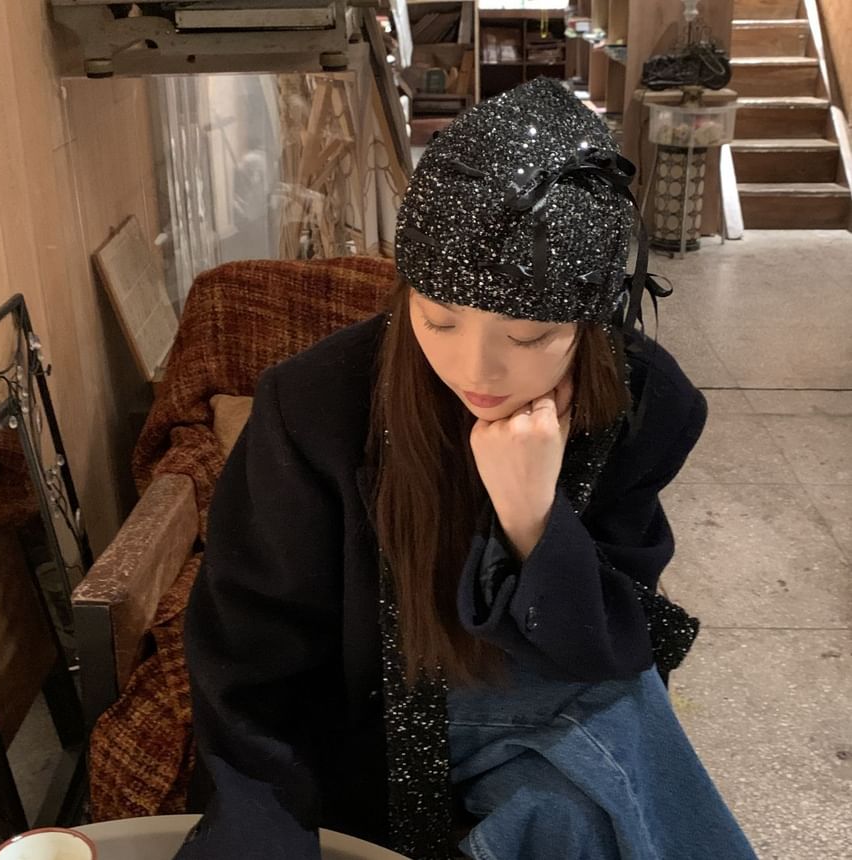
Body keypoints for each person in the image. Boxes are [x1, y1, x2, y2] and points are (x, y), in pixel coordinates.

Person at [176, 78, 757, 860]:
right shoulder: (316, 408)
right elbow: (251, 650)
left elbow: (611, 649)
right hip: (375, 716)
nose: (475, 369)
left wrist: (532, 521)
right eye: (438, 320)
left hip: (534, 687)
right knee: (589, 786)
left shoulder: (645, 405)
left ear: (591, 323)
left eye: (527, 337)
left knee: (591, 769)